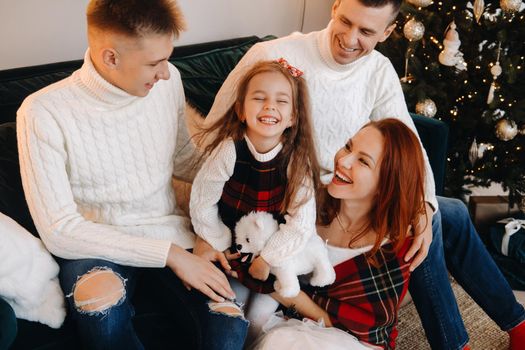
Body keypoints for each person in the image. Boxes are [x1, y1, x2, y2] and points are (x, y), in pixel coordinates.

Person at [205, 0, 525, 348]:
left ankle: (517, 326)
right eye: (346, 21)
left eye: (367, 31)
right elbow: (212, 135)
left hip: (348, 188)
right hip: (293, 198)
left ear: (388, 32)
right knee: (431, 219)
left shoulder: (378, 70)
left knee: (444, 213)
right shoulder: (273, 53)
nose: (349, 38)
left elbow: (409, 144)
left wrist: (425, 205)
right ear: (336, 6)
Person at [16, 1, 247, 349]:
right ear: (111, 57)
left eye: (168, 59)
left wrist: (208, 231)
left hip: (169, 228)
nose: (166, 73)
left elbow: (185, 159)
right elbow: (60, 230)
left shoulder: (168, 84)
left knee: (229, 329)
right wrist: (170, 255)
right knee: (102, 309)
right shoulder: (43, 112)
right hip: (95, 246)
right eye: (155, 63)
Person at [253, 118, 427, 349]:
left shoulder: (396, 244)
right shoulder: (305, 205)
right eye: (348, 146)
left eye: (363, 161)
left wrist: (291, 296)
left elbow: (366, 331)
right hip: (285, 322)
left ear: (387, 183)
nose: (343, 160)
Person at [190, 59, 330, 340]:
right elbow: (202, 200)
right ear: (241, 110)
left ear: (293, 117)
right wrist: (219, 241)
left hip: (274, 254)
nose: (269, 107)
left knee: (258, 320)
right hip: (237, 247)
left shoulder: (295, 162)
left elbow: (301, 224)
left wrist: (268, 258)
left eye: (281, 101)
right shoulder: (229, 151)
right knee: (233, 309)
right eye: (259, 98)